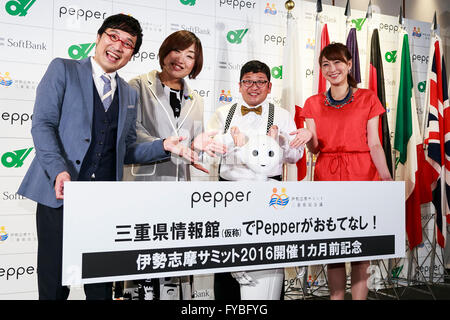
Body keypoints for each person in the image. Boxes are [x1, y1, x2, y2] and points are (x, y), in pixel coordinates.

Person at [17, 14, 203, 300]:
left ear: (132, 54)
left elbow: (126, 150)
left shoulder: (128, 93)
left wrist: (164, 146)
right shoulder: (63, 70)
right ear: (99, 37)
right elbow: (43, 125)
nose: (118, 46)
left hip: (103, 201)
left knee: (101, 284)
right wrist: (58, 170)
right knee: (55, 283)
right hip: (60, 194)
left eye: (128, 43)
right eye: (113, 36)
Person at [122, 30, 225, 300]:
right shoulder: (137, 86)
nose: (181, 59)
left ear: (196, 63)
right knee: (142, 259)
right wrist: (166, 144)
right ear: (164, 52)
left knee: (175, 261)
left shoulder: (197, 99)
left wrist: (197, 146)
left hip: (179, 192)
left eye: (190, 55)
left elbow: (188, 144)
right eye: (176, 51)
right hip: (143, 185)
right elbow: (131, 133)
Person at [207, 60, 312, 300]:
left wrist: (282, 142)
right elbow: (209, 152)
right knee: (227, 254)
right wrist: (230, 140)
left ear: (269, 86)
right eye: (248, 82)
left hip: (269, 192)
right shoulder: (223, 113)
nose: (254, 87)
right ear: (240, 85)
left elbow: (295, 158)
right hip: (229, 193)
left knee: (268, 254)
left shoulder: (283, 115)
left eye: (260, 82)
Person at [295, 42, 393, 300]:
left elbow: (374, 142)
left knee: (361, 247)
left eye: (337, 62)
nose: (332, 68)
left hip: (363, 174)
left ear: (349, 65)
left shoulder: (368, 98)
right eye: (325, 64)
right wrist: (307, 137)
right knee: (333, 248)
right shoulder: (312, 103)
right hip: (328, 175)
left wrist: (386, 179)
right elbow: (315, 149)